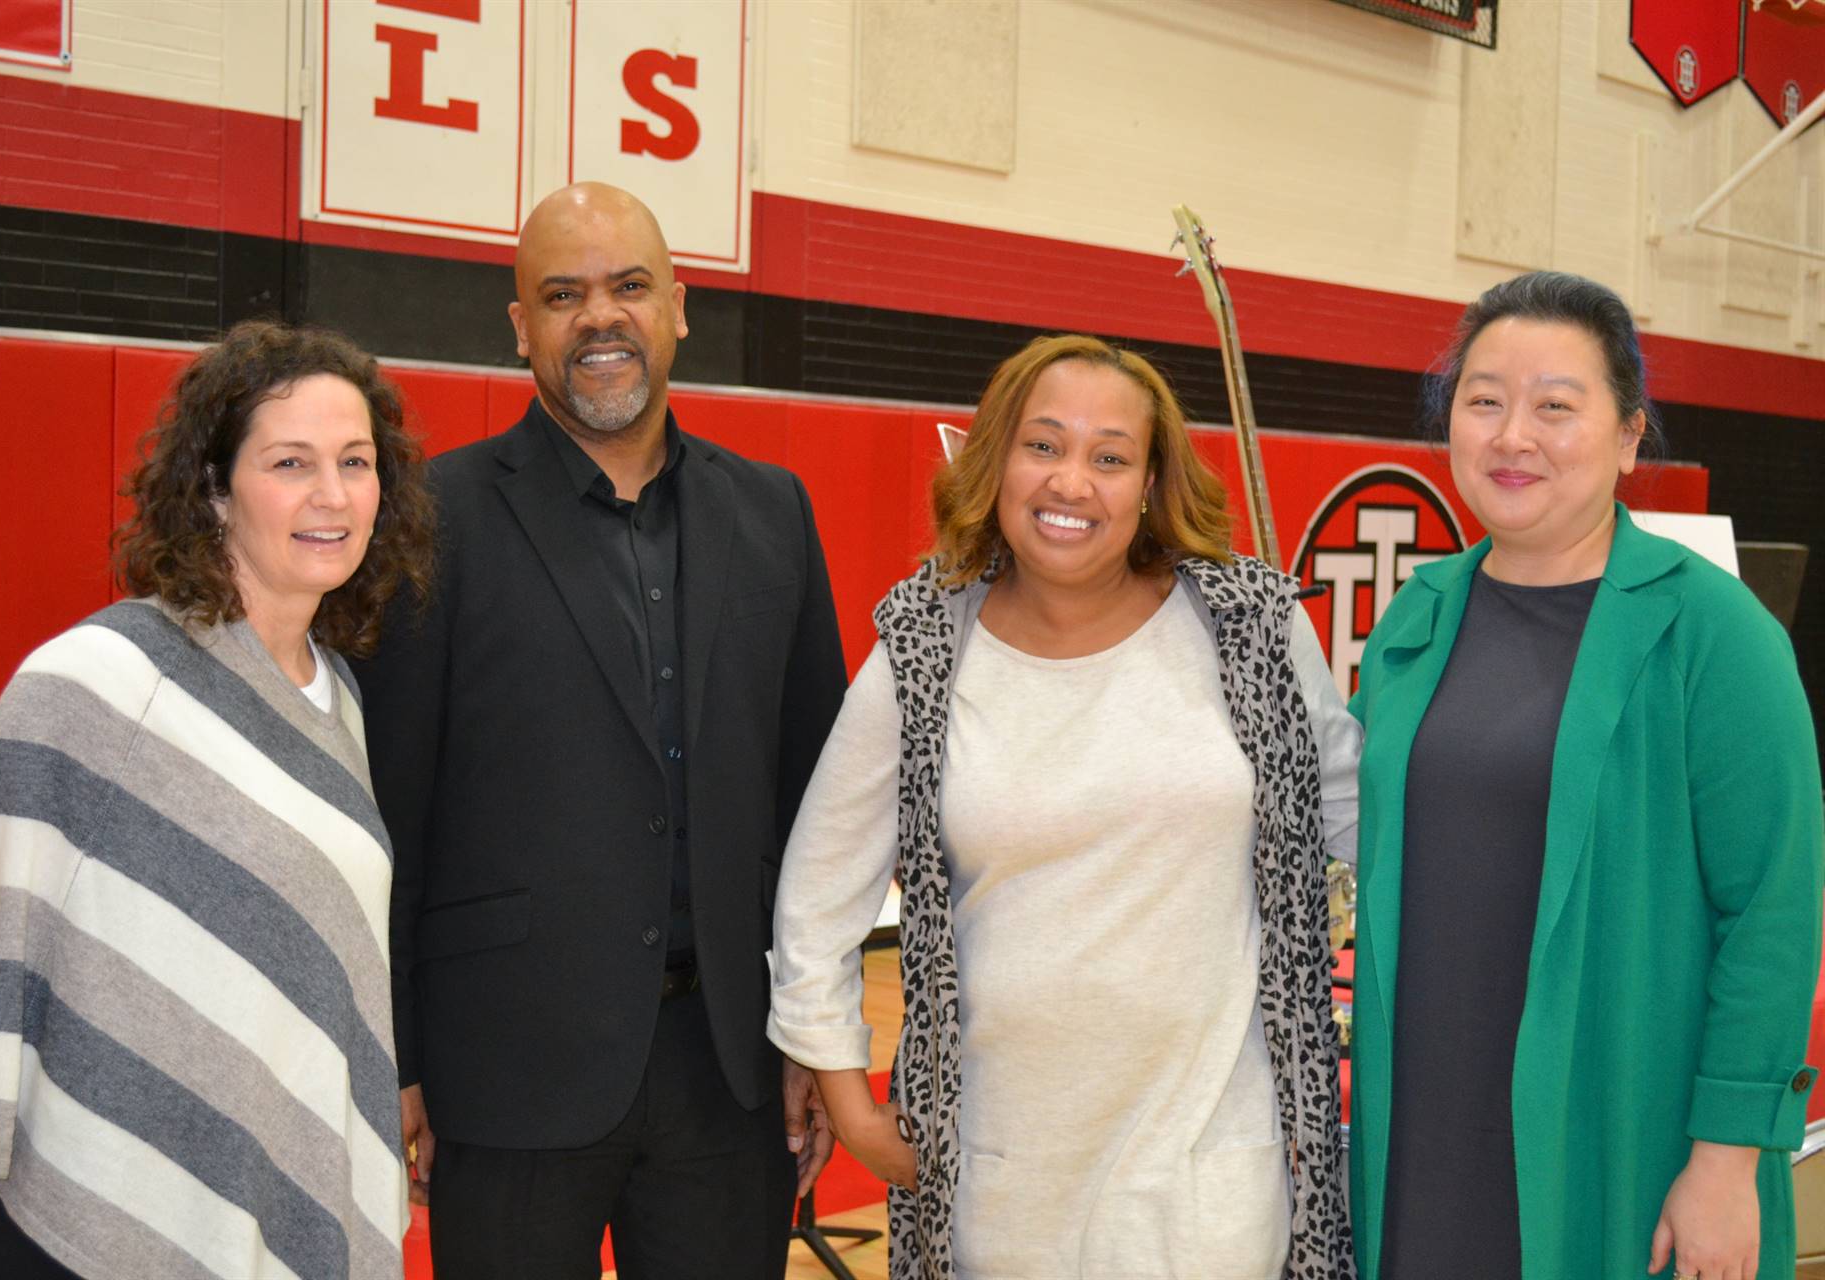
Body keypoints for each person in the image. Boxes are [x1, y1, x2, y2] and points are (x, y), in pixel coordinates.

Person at [767, 334, 1362, 1278]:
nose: (1072, 482)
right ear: (995, 458)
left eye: (1110, 457)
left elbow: (1367, 816)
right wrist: (851, 1102)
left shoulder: (1249, 629)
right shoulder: (924, 647)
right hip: (1003, 1180)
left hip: (1213, 1177)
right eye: (1044, 445)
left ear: (1152, 482)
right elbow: (817, 895)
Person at [352, 182, 848, 1278]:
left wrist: (825, 1032)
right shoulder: (432, 517)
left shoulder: (775, 511)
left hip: (730, 1068)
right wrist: (398, 1052)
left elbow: (823, 805)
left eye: (628, 285)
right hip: (509, 1070)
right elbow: (392, 812)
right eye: (563, 294)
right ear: (521, 326)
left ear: (678, 306)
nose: (600, 317)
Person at [0, 320, 436, 1279]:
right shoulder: (96, 678)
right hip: (87, 1207)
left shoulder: (342, 702)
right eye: (291, 462)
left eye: (356, 462)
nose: (333, 495)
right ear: (213, 488)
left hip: (268, 1200)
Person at [1348, 271, 1824, 1280]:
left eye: (1556, 406)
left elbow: (1772, 911)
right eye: (1484, 401)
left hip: (1626, 1129)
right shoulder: (1418, 618)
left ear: (1628, 436)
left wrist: (1728, 1159)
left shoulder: (1712, 630)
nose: (1512, 434)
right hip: (1425, 1125)